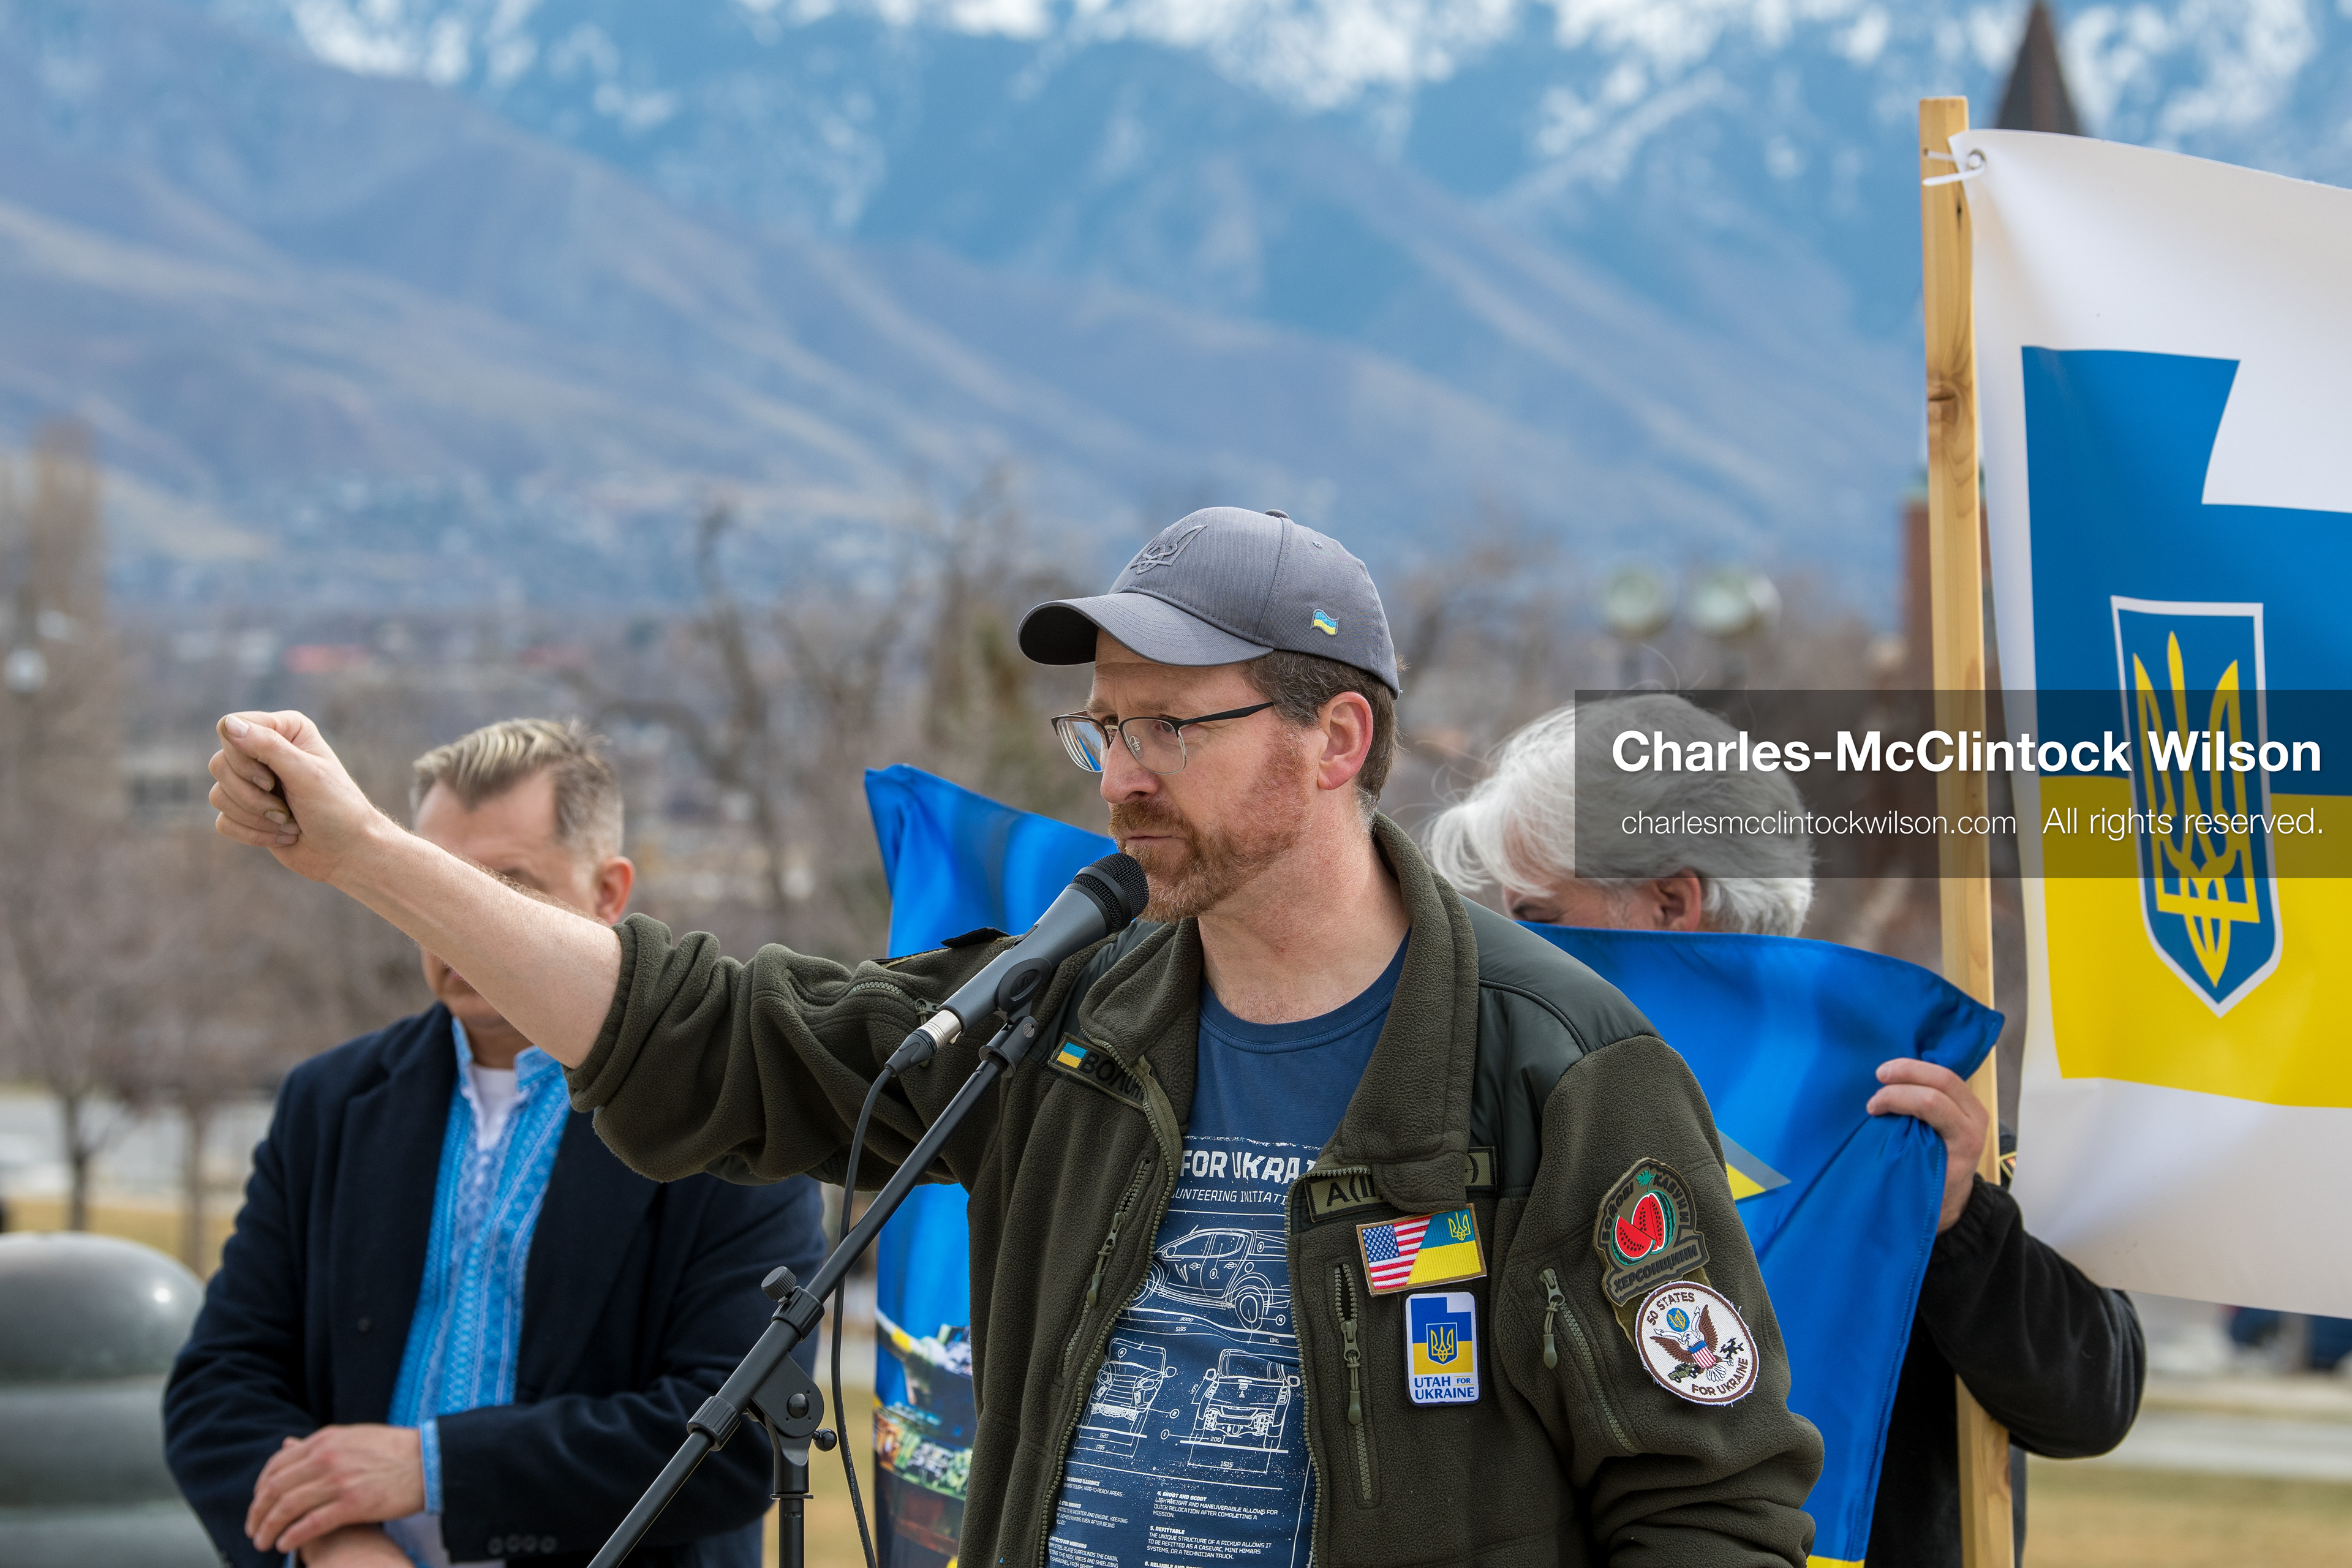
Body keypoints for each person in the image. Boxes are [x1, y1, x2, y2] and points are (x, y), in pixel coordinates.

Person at [205, 509, 1825, 1568]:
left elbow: (1708, 1505)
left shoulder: (1560, 1068)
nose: (1118, 773)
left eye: (1172, 727)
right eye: (1103, 724)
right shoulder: (1064, 1007)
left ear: (1342, 738)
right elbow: (713, 1035)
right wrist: (362, 856)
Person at [1426, 692, 2146, 1568]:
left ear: (1669, 907)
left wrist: (1963, 1223)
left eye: (1537, 916)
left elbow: (2090, 1402)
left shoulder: (1910, 1111)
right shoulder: (1502, 1092)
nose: (1514, 949)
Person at [167, 719, 829, 1568]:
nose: (461, 916)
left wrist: (433, 1469)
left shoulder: (725, 1117)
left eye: (509, 882)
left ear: (609, 894)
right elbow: (219, 1387)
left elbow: (742, 1435)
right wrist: (330, 1543)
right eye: (437, 878)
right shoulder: (327, 1103)